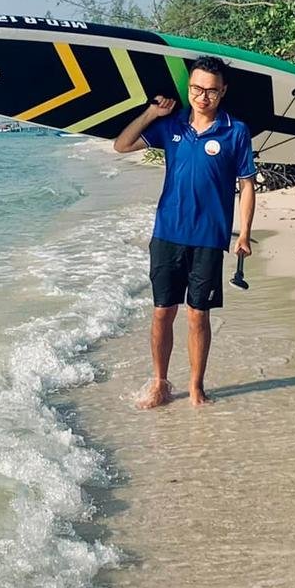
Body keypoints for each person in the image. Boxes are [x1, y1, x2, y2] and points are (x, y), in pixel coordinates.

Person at [113, 56, 256, 407]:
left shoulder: (235, 131)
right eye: (196, 88)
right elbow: (122, 145)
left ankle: (196, 387)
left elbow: (248, 184)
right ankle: (160, 383)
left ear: (222, 92)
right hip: (167, 233)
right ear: (189, 87)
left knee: (197, 315)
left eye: (210, 90)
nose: (202, 96)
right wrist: (151, 113)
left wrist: (244, 234)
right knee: (163, 311)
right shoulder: (172, 125)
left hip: (209, 237)